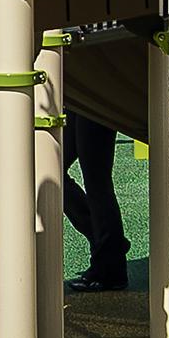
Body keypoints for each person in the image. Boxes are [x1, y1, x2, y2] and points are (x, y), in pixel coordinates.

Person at [62, 112, 131, 292]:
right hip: (75, 97)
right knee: (51, 168)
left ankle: (110, 265)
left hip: (97, 100)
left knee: (97, 181)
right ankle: (110, 248)